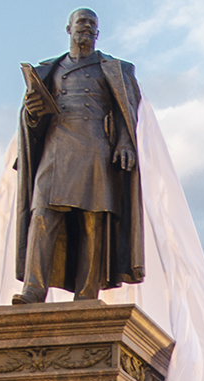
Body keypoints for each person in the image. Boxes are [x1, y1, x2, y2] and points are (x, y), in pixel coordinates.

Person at [14, 8, 144, 304]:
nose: (87, 27)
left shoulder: (116, 69)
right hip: (56, 148)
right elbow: (32, 119)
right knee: (42, 215)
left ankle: (87, 294)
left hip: (96, 147)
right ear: (68, 28)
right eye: (81, 22)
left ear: (97, 33)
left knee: (93, 219)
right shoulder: (49, 68)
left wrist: (125, 141)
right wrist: (31, 113)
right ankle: (33, 290)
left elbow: (128, 111)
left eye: (92, 24)